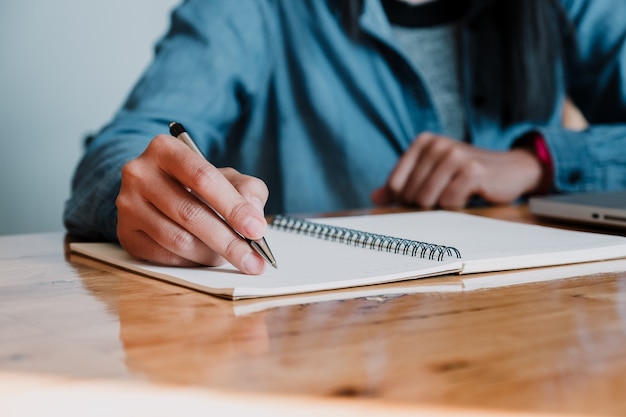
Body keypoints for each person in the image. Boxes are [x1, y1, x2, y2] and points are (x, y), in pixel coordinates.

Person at [64, 0, 626, 275]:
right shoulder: (254, 9)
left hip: (534, 327)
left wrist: (541, 161)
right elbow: (130, 144)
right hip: (323, 348)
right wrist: (141, 189)